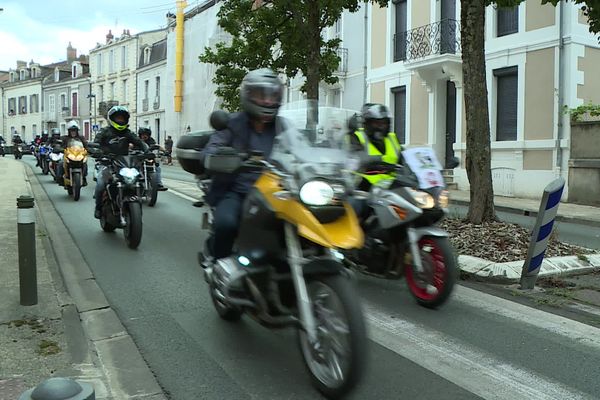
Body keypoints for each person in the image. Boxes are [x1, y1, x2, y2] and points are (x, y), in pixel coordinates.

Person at [200, 68, 283, 260]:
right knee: (226, 224)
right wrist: (221, 156)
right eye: (262, 96)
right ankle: (217, 260)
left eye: (273, 96)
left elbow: (299, 148)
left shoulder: (284, 126)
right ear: (247, 95)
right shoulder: (231, 124)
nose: (268, 101)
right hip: (237, 190)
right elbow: (211, 149)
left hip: (276, 192)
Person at [348, 103, 402, 217]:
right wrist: (374, 163)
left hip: (392, 187)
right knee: (356, 208)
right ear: (367, 123)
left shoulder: (392, 138)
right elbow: (356, 157)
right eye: (376, 123)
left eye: (384, 123)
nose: (380, 126)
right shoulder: (356, 137)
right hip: (363, 189)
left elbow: (405, 157)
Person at [93, 106, 148, 219]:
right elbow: (96, 143)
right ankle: (98, 208)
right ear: (112, 119)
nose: (120, 120)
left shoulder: (128, 133)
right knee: (100, 184)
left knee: (138, 179)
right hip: (107, 162)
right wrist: (96, 151)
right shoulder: (105, 132)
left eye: (122, 118)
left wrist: (147, 151)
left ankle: (135, 205)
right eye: (118, 118)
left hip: (124, 163)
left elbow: (139, 142)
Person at [57, 120, 89, 186]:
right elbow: (61, 146)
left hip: (79, 155)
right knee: (60, 163)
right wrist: (59, 148)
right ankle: (60, 179)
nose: (73, 132)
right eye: (72, 130)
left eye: (74, 130)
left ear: (77, 131)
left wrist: (90, 150)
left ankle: (84, 177)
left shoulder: (81, 138)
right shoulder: (65, 138)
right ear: (69, 131)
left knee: (85, 163)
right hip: (69, 155)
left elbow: (86, 146)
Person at [137, 127, 167, 191]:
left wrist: (165, 151)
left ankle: (158, 183)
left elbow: (157, 146)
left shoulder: (151, 141)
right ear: (140, 135)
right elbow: (130, 146)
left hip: (148, 157)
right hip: (138, 158)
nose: (144, 136)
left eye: (146, 134)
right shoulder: (136, 140)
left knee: (157, 168)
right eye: (143, 134)